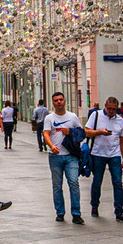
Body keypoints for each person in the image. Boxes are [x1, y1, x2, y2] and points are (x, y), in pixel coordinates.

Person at [42, 92, 87, 225]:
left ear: (65, 101)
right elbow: (46, 133)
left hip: (71, 156)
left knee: (73, 182)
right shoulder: (49, 118)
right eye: (56, 100)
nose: (59, 102)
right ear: (53, 103)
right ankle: (60, 212)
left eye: (61, 100)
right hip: (55, 157)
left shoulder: (72, 117)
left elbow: (81, 133)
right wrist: (52, 146)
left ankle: (76, 213)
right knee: (57, 185)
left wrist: (70, 132)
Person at [83, 95, 123, 223]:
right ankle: (95, 205)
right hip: (98, 154)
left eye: (114, 109)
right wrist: (100, 132)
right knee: (97, 181)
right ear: (105, 106)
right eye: (109, 109)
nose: (111, 111)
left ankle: (119, 211)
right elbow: (87, 132)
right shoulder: (96, 115)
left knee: (118, 182)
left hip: (114, 155)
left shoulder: (120, 120)